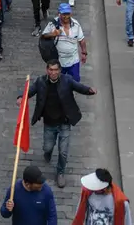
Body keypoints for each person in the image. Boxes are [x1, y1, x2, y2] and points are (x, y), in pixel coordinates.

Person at [23, 60, 96, 189]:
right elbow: (31, 91)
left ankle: (60, 172)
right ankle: (48, 153)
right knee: (47, 147)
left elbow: (78, 87)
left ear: (60, 71)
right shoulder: (40, 81)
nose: (53, 72)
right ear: (47, 70)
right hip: (49, 123)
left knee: (63, 151)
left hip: (64, 122)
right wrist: (21, 97)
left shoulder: (67, 80)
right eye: (51, 70)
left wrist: (89, 90)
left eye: (56, 70)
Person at [41, 3, 88, 82]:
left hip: (73, 60)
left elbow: (81, 40)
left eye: (67, 14)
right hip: (58, 61)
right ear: (59, 14)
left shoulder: (76, 24)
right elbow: (43, 36)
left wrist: (84, 53)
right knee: (57, 82)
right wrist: (53, 34)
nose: (66, 16)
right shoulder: (52, 24)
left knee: (74, 82)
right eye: (63, 14)